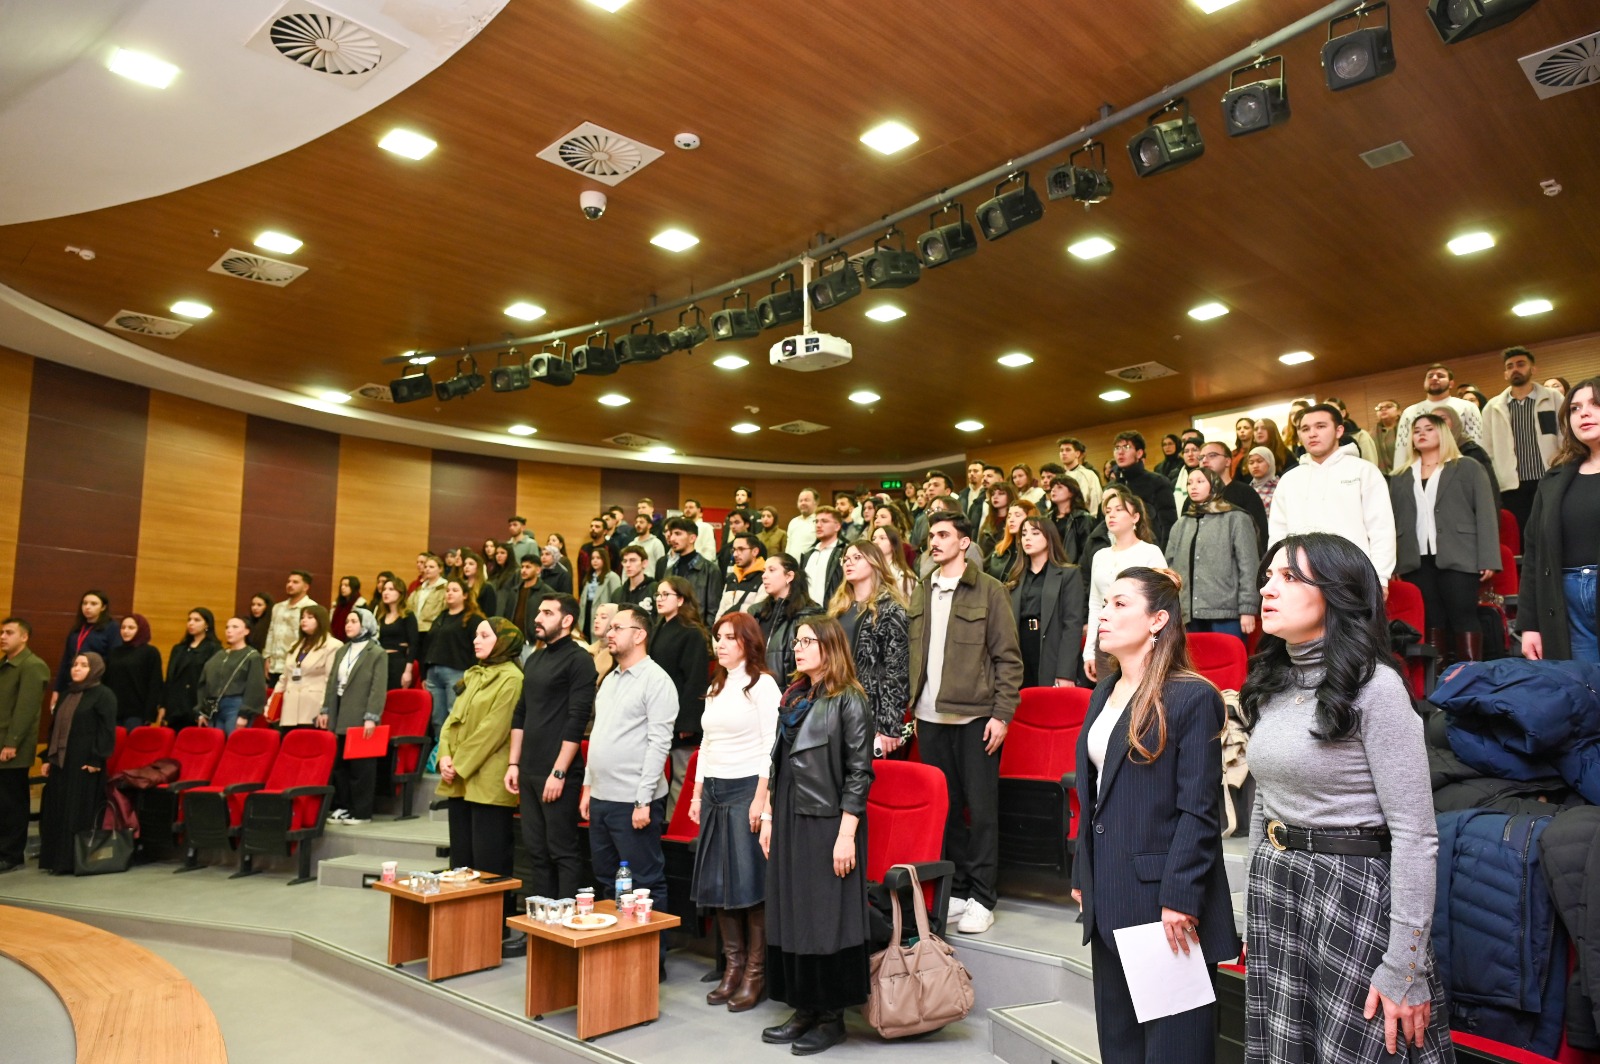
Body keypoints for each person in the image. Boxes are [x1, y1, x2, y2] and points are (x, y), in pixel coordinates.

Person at [1240, 533, 1451, 1062]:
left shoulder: (1376, 688)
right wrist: (1252, 903)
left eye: (1290, 577)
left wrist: (1405, 966)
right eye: (1268, 576)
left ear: (1338, 594)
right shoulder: (1272, 682)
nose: (1268, 589)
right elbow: (1265, 799)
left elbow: (1415, 835)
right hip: (1278, 887)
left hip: (1350, 892)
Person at [1070, 569, 1236, 1064]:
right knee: (1119, 1046)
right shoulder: (1105, 690)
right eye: (1105, 603)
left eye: (1120, 604)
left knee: (1173, 1049)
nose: (1104, 614)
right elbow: (1096, 794)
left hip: (1165, 903)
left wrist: (1180, 897)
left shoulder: (1192, 696)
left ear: (1158, 620)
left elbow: (1199, 810)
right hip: (1108, 892)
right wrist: (1084, 870)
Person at [757, 616, 874, 1054]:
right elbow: (778, 765)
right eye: (797, 641)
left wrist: (846, 835)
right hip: (790, 816)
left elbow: (859, 774)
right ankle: (804, 1006)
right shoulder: (795, 696)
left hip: (828, 822)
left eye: (807, 641)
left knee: (826, 917)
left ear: (830, 646)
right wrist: (769, 817)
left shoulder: (850, 700)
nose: (798, 648)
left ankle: (831, 1017)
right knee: (795, 912)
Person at [908, 511, 1023, 935]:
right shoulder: (922, 589)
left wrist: (1002, 714)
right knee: (949, 809)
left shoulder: (990, 590)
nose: (934, 541)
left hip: (975, 717)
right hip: (929, 717)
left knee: (982, 809)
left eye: (943, 534)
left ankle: (983, 897)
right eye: (931, 535)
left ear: (964, 542)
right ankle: (957, 890)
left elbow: (1008, 659)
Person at [692, 611, 782, 1011]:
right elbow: (707, 745)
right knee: (718, 883)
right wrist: (696, 794)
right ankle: (733, 966)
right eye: (718, 637)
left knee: (749, 884)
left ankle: (755, 973)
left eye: (730, 637)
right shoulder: (717, 685)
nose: (721, 644)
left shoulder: (762, 685)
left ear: (749, 642)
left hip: (747, 788)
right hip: (714, 790)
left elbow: (771, 746)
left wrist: (762, 799)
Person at [581, 604, 676, 944]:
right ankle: (616, 950)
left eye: (617, 628)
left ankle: (652, 957)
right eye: (610, 627)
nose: (609, 633)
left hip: (634, 800)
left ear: (639, 635)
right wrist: (588, 786)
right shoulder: (609, 679)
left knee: (644, 882)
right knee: (608, 880)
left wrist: (643, 800)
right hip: (602, 796)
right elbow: (599, 736)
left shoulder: (657, 680)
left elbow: (659, 744)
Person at [437, 617, 525, 951]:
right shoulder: (474, 674)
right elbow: (451, 720)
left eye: (484, 635)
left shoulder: (513, 678)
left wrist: (458, 764)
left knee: (489, 861)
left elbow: (494, 729)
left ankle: (491, 929)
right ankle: (461, 925)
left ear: (502, 641)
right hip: (459, 778)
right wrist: (444, 756)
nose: (476, 640)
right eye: (476, 634)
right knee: (461, 858)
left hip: (488, 780)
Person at [1390, 412, 1501, 663]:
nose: (1421, 433)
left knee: (1463, 615)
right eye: (1416, 430)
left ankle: (1470, 673)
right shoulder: (1400, 475)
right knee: (1431, 618)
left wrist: (1489, 557)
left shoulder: (1468, 467)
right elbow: (1393, 521)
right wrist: (1394, 562)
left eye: (1429, 428)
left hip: (1461, 553)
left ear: (1443, 433)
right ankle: (1437, 675)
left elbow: (1486, 512)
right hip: (1415, 558)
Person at [506, 594, 596, 901]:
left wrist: (559, 771)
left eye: (547, 613)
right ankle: (541, 917)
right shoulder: (535, 659)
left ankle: (566, 917)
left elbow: (577, 720)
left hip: (558, 771)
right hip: (529, 769)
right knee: (536, 850)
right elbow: (521, 712)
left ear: (567, 620)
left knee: (562, 850)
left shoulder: (579, 660)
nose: (537, 618)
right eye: (538, 612)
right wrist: (513, 763)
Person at [1267, 404, 1396, 587]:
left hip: (1354, 577)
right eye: (1305, 429)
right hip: (1300, 579)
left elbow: (1381, 529)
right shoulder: (1289, 479)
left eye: (1320, 426)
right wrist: (1278, 576)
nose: (1312, 434)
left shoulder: (1364, 471)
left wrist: (1380, 578)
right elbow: (1278, 535)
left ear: (1339, 431)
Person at [1520, 378, 1600, 664]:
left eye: (1595, 404)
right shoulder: (1554, 478)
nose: (1584, 413)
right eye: (1575, 408)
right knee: (1583, 687)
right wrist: (1530, 625)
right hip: (1566, 604)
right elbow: (1534, 555)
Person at [37, 652, 117, 874]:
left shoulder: (104, 695)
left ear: (95, 669)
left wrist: (96, 759)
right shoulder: (67, 694)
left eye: (84, 665)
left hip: (86, 763)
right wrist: (48, 758)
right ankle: (55, 860)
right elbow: (55, 729)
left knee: (77, 812)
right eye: (75, 665)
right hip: (62, 762)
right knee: (58, 810)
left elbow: (106, 730)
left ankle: (74, 861)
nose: (77, 668)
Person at [829, 539, 911, 755]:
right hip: (836, 705)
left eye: (857, 558)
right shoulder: (838, 609)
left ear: (875, 563)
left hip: (871, 713)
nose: (849, 563)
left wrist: (889, 725)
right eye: (846, 559)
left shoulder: (891, 610)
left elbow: (898, 671)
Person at [1165, 468, 1261, 643]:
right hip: (1189, 615)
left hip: (1227, 613)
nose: (1193, 486)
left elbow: (1249, 566)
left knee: (1229, 659)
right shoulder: (1181, 524)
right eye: (1189, 483)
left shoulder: (1236, 518)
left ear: (1214, 484)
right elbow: (1170, 568)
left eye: (1200, 481)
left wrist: (1248, 608)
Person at [1085, 488, 1169, 682]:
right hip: (1106, 636)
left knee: (1141, 692)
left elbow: (1163, 601)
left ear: (1135, 517)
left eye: (1119, 509)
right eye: (1108, 511)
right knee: (1108, 694)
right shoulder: (1100, 555)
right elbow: (1095, 604)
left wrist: (1156, 643)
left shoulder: (1150, 552)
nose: (1111, 515)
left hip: (1139, 639)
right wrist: (1089, 650)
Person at [1484, 346, 1565, 536]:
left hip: (1549, 478)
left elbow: (1565, 435)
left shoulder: (1553, 398)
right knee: (1521, 536)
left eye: (1520, 364)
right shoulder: (1492, 407)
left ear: (1533, 369)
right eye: (1510, 366)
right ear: (1505, 374)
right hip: (1512, 486)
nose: (1515, 369)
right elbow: (1488, 449)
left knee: (1553, 531)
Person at [651, 576, 712, 813]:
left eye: (665, 594)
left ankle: (677, 826)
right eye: (658, 594)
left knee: (680, 776)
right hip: (658, 713)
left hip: (680, 718)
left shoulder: (691, 632)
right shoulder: (658, 628)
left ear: (681, 599)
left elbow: (695, 680)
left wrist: (687, 722)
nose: (659, 599)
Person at [320, 608, 386, 824]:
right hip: (340, 712)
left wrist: (371, 716)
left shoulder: (377, 653)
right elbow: (332, 682)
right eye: (347, 621)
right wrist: (326, 710)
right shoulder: (342, 650)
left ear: (365, 625)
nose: (348, 625)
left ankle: (361, 811)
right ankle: (344, 806)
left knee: (361, 767)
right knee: (340, 766)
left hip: (361, 715)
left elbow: (378, 688)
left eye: (354, 621)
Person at [1008, 516, 1086, 689]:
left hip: (1050, 649)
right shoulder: (1015, 577)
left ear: (1049, 537)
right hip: (1020, 650)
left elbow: (1072, 626)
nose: (1027, 538)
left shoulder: (1068, 574)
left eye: (1035, 533)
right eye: (1024, 534)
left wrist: (1065, 672)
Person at [0, 618, 50, 873]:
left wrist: (12, 742)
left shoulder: (32, 665)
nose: (3, 637)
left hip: (12, 746)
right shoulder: (6, 664)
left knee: (11, 801)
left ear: (24, 637)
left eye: (9, 632)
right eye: (1, 632)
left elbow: (25, 709)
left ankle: (11, 854)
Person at [1393, 363, 1485, 468]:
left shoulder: (1468, 407)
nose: (1434, 378)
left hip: (1460, 467)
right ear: (1424, 383)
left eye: (1440, 376)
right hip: (1422, 469)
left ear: (1451, 383)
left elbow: (1477, 441)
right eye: (1430, 376)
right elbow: (1402, 448)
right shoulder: (1410, 412)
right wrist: (1399, 473)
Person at [421, 580, 483, 734]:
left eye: (455, 590)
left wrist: (472, 674)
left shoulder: (473, 619)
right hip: (433, 672)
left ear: (465, 595)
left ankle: (454, 748)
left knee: (454, 714)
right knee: (436, 719)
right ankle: (439, 748)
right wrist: (424, 674)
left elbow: (477, 649)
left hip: (456, 672)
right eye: (448, 590)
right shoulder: (440, 617)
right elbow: (427, 645)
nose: (449, 593)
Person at [750, 555, 822, 682]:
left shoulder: (809, 614)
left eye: (771, 570)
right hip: (757, 686)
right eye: (764, 571)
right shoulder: (756, 612)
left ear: (789, 576)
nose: (764, 576)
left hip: (792, 689)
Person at [193, 617, 266, 734]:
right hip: (214, 707)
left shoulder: (252, 656)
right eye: (227, 627)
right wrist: (202, 711)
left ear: (246, 631)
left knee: (233, 741)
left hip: (236, 706)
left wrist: (245, 714)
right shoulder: (218, 656)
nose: (229, 630)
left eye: (235, 627)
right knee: (214, 742)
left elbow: (255, 687)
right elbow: (205, 684)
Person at [274, 605, 341, 730]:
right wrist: (271, 706)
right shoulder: (295, 645)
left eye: (310, 617)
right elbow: (284, 678)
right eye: (302, 617)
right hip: (290, 708)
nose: (304, 620)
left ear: (320, 621)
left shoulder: (333, 645)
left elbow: (330, 681)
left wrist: (325, 709)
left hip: (313, 707)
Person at [1109, 432, 1178, 548]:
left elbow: (1169, 524)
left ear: (1139, 453)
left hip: (1151, 548)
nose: (1120, 452)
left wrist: (1163, 553)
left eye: (1126, 447)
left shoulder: (1157, 482)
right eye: (1117, 448)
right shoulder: (1111, 487)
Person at [1198, 441, 1269, 554]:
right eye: (1201, 457)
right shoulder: (1194, 498)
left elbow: (1260, 535)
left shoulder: (1246, 493)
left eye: (1212, 455)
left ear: (1227, 461)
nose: (1205, 460)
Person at [163, 608, 222, 730]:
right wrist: (163, 706)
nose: (191, 623)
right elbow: (169, 679)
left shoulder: (214, 649)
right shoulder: (179, 648)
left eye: (196, 620)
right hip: (175, 707)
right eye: (189, 620)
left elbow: (214, 684)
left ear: (207, 624)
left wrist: (206, 711)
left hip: (196, 706)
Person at [54, 590, 118, 700]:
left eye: (93, 604)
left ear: (103, 607)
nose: (87, 607)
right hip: (72, 682)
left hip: (96, 684)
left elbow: (113, 660)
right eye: (85, 603)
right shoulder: (77, 628)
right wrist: (57, 689)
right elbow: (66, 659)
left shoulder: (111, 627)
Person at [104, 614, 163, 730]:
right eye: (123, 627)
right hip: (114, 710)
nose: (125, 631)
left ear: (141, 629)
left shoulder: (150, 652)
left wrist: (149, 714)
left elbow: (155, 683)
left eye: (131, 628)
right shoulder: (114, 652)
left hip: (137, 713)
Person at [656, 517, 724, 615]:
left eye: (678, 534)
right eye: (671, 534)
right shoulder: (670, 570)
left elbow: (713, 611)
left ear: (692, 538)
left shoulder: (710, 570)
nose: (672, 539)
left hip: (696, 624)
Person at [264, 571, 318, 684]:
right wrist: (267, 657)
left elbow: (312, 638)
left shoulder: (311, 607)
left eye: (295, 582)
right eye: (288, 581)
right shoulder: (278, 607)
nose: (290, 585)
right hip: (275, 666)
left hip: (296, 665)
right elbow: (271, 633)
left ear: (306, 587)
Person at [373, 579, 419, 689]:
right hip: (382, 660)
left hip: (398, 662)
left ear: (400, 593)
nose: (386, 592)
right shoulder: (381, 615)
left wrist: (408, 671)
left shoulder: (408, 615)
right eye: (384, 589)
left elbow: (413, 644)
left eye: (391, 589)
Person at [1044, 475, 1095, 566]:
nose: (1053, 490)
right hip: (1049, 567)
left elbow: (1087, 550)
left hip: (1072, 568)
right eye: (1052, 487)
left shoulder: (1082, 518)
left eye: (1059, 487)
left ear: (1072, 493)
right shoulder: (1047, 518)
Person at [716, 532, 769, 620]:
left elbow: (757, 616)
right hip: (725, 627)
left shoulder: (764, 578)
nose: (735, 554)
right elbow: (721, 612)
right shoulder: (732, 578)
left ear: (755, 551)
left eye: (741, 549)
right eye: (734, 550)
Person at [800, 509, 846, 606]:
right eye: (816, 521)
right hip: (806, 610)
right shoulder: (808, 554)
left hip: (832, 610)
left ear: (837, 526)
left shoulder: (844, 553)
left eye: (824, 521)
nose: (818, 525)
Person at [985, 500, 1037, 582]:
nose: (1011, 520)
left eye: (1017, 515)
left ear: (1030, 518)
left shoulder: (1035, 552)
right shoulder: (1000, 550)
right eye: (1009, 516)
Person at [578, 547, 622, 640]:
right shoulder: (589, 577)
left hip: (603, 616)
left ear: (604, 559)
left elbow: (617, 600)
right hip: (587, 614)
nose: (595, 561)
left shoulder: (612, 577)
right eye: (593, 558)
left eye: (598, 558)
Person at [870, 524, 919, 600]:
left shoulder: (904, 577)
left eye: (882, 538)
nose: (875, 542)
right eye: (873, 539)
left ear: (893, 544)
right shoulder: (869, 572)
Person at [1059, 437, 1104, 517]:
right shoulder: (1058, 477)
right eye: (1061, 450)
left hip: (1083, 519)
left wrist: (1094, 519)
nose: (1064, 453)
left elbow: (1096, 501)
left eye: (1068, 450)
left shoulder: (1089, 474)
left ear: (1077, 453)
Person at [461, 550, 501, 614]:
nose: (466, 567)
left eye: (471, 564)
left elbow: (489, 613)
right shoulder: (462, 586)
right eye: (465, 564)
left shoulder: (487, 588)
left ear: (478, 567)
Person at [787, 488, 821, 557]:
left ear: (816, 502)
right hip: (791, 562)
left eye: (806, 500)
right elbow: (788, 546)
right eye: (800, 500)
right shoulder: (793, 522)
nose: (803, 503)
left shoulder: (820, 521)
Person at [1245, 447, 1279, 517]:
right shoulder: (1247, 489)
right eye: (1251, 462)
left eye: (1260, 461)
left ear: (1270, 462)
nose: (1255, 466)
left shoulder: (1280, 487)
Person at [1372, 399, 1402, 476]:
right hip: (1382, 477)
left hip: (1406, 473)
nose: (1383, 409)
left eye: (1389, 406)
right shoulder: (1371, 435)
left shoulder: (1406, 430)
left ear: (1399, 411)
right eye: (1380, 408)